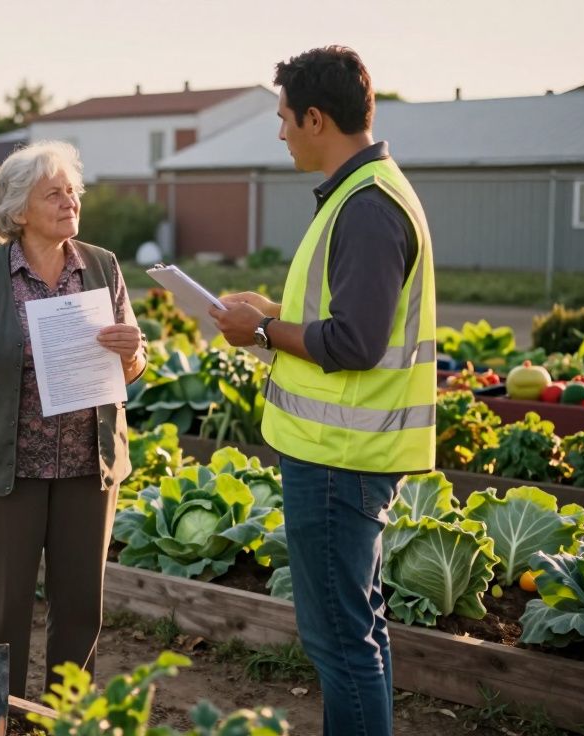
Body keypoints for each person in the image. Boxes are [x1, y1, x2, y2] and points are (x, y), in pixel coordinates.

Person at [209, 46, 436, 736]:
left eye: (283, 119)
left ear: (315, 118)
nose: (280, 133)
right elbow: (347, 321)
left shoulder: (366, 207)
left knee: (340, 645)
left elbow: (355, 344)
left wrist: (262, 333)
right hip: (344, 455)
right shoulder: (363, 194)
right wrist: (271, 315)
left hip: (342, 459)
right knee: (358, 634)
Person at [0, 140, 146, 699]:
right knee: (2, 610)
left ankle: (66, 717)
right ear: (18, 209)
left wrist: (132, 349)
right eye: (53, 193)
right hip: (11, 469)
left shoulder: (102, 266)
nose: (69, 200)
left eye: (72, 190)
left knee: (80, 609)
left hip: (87, 464)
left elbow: (130, 368)